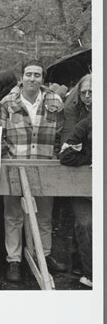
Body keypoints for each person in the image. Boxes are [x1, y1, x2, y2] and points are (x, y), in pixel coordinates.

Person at [0, 59, 67, 283]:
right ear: (21, 77)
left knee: (44, 215)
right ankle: (13, 260)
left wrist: (55, 156)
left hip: (45, 167)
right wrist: (8, 159)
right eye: (28, 74)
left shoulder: (55, 100)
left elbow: (62, 133)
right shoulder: (7, 102)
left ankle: (43, 254)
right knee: (13, 216)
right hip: (15, 167)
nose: (32, 79)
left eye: (37, 75)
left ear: (42, 78)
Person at [59, 115, 92, 288]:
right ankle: (91, 274)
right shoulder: (85, 124)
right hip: (83, 189)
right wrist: (91, 159)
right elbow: (65, 156)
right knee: (86, 224)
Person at [61, 74, 92, 144]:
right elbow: (68, 136)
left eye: (90, 92)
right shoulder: (72, 109)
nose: (87, 96)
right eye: (83, 92)